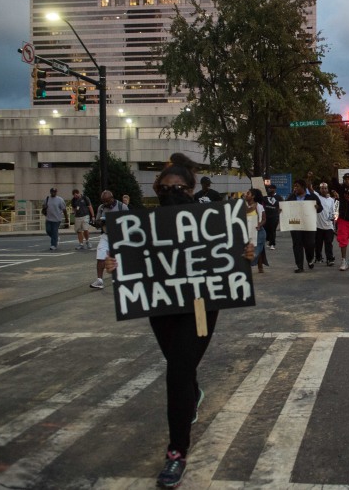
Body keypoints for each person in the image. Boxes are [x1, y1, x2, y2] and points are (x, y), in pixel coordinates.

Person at [105, 153, 254, 489]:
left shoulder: (211, 220)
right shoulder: (144, 225)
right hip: (162, 306)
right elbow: (127, 256)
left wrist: (245, 256)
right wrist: (117, 265)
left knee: (178, 371)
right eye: (166, 187)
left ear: (191, 189)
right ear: (158, 189)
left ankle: (176, 451)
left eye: (180, 187)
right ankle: (193, 391)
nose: (172, 191)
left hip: (201, 306)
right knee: (179, 364)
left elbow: (232, 254)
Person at [89, 190, 128, 289]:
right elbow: (98, 222)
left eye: (107, 201)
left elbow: (129, 220)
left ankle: (126, 279)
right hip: (106, 235)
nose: (105, 203)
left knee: (121, 258)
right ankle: (99, 280)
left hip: (119, 235)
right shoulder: (101, 208)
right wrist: (98, 223)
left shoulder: (121, 206)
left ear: (112, 198)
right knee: (100, 255)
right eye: (103, 201)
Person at [287, 178, 321, 273]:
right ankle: (299, 266)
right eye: (294, 186)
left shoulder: (312, 196)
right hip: (295, 223)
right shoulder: (292, 196)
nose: (295, 188)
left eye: (297, 186)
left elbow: (320, 208)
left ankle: (310, 259)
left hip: (308, 224)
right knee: (297, 244)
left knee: (309, 243)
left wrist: (317, 207)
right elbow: (285, 206)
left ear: (303, 187)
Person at [245, 188, 268, 273]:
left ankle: (255, 266)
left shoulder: (259, 206)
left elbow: (264, 219)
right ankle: (259, 266)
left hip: (258, 232)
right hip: (247, 232)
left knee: (256, 251)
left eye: (248, 193)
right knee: (253, 250)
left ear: (253, 196)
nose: (246, 194)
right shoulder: (243, 205)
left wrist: (259, 225)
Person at [314, 182, 337, 266]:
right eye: (322, 188)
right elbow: (309, 188)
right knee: (318, 244)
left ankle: (330, 259)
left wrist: (333, 218)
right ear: (319, 189)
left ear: (327, 189)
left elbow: (333, 212)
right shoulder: (317, 197)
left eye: (325, 188)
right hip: (318, 226)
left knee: (328, 243)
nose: (324, 190)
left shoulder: (331, 200)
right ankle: (318, 257)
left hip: (328, 226)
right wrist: (309, 178)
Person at [262, 184, 282, 250]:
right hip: (266, 216)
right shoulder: (265, 196)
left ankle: (272, 244)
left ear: (274, 189)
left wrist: (280, 211)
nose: (269, 189)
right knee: (266, 229)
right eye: (269, 188)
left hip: (274, 216)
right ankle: (268, 240)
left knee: (273, 230)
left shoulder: (278, 197)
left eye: (271, 188)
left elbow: (282, 205)